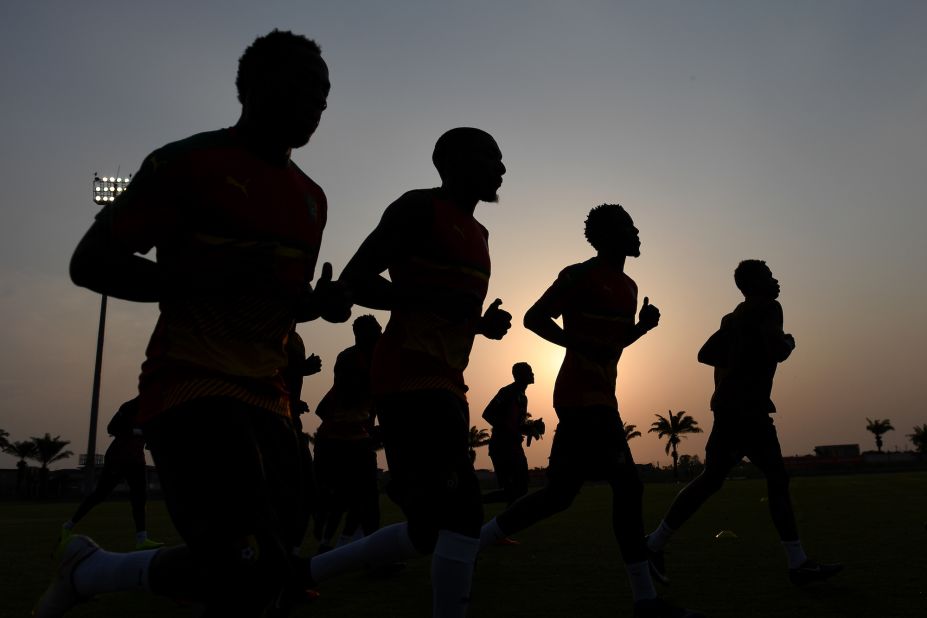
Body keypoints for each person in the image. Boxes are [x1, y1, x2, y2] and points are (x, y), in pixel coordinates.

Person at [37, 29, 349, 618]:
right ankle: (94, 571)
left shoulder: (312, 198)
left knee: (267, 566)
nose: (318, 104)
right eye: (304, 87)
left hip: (270, 397)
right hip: (190, 383)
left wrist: (315, 303)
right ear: (253, 86)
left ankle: (93, 572)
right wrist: (202, 277)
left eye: (325, 93)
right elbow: (90, 263)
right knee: (250, 559)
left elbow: (273, 296)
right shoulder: (187, 163)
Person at [306, 127, 511, 618]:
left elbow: (443, 307)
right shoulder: (418, 208)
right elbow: (358, 279)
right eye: (491, 158)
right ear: (455, 162)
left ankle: (303, 575)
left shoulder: (480, 234)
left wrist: (481, 324)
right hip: (409, 378)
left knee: (427, 530)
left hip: (446, 380)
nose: (501, 169)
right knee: (464, 514)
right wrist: (421, 299)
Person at [479, 204, 702, 618]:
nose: (637, 233)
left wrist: (642, 328)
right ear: (608, 236)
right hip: (580, 397)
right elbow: (533, 317)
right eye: (629, 227)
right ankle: (645, 599)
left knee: (559, 495)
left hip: (602, 396)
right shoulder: (578, 275)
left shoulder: (631, 287)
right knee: (628, 487)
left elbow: (612, 346)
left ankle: (476, 541)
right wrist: (577, 344)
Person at [646, 260, 843, 587]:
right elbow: (778, 349)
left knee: (716, 480)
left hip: (731, 408)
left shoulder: (733, 317)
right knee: (773, 478)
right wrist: (788, 342)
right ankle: (798, 564)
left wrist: (740, 357)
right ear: (755, 284)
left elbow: (705, 353)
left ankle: (654, 543)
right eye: (769, 276)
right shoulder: (769, 308)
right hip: (746, 410)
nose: (776, 281)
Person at [313, 314, 383, 553]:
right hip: (335, 440)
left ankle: (367, 552)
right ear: (360, 336)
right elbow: (351, 394)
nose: (379, 336)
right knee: (338, 498)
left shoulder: (378, 358)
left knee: (367, 500)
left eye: (379, 331)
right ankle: (325, 543)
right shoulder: (349, 359)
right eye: (373, 332)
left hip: (357, 439)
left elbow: (375, 402)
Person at [60, 398, 164, 551]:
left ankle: (141, 539)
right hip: (118, 457)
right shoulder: (130, 406)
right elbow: (112, 428)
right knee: (100, 494)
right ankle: (68, 526)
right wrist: (138, 432)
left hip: (136, 459)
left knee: (140, 497)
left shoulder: (154, 411)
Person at [481, 362, 543, 509]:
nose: (533, 374)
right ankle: (475, 503)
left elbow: (517, 425)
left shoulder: (523, 397)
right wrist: (509, 431)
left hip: (515, 447)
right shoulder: (507, 392)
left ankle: (504, 523)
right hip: (501, 448)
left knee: (521, 489)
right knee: (512, 491)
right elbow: (487, 414)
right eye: (529, 372)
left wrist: (532, 427)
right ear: (520, 376)